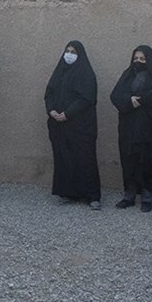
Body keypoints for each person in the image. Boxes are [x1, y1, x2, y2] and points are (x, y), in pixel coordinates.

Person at [109, 45, 152, 212]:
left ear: (150, 61)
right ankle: (129, 195)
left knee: (149, 162)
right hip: (129, 129)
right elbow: (115, 95)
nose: (138, 62)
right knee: (129, 161)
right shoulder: (128, 75)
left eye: (143, 59)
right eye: (136, 59)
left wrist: (142, 100)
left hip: (151, 131)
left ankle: (147, 196)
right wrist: (129, 101)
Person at [44, 40, 102, 210]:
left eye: (73, 52)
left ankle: (92, 196)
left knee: (85, 158)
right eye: (67, 51)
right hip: (59, 125)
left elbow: (87, 98)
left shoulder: (87, 74)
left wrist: (68, 113)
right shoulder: (59, 71)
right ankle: (68, 192)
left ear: (80, 55)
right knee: (64, 158)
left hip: (81, 125)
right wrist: (51, 110)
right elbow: (49, 92)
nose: (69, 55)